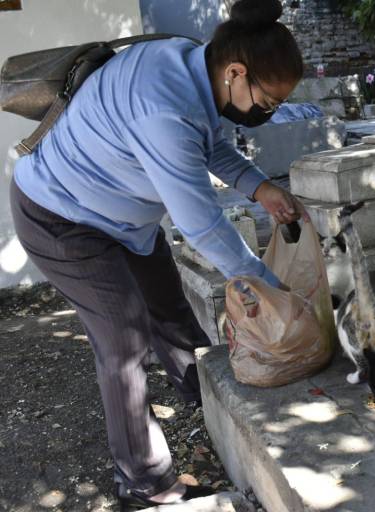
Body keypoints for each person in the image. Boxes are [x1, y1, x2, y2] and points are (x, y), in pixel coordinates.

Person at [9, 0, 306, 508]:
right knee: (123, 340)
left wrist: (260, 188)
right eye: (267, 102)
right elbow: (202, 224)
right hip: (60, 218)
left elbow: (208, 146)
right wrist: (269, 288)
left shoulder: (194, 66)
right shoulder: (163, 105)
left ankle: (204, 395)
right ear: (236, 72)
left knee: (169, 308)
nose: (267, 113)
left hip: (123, 220)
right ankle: (144, 484)